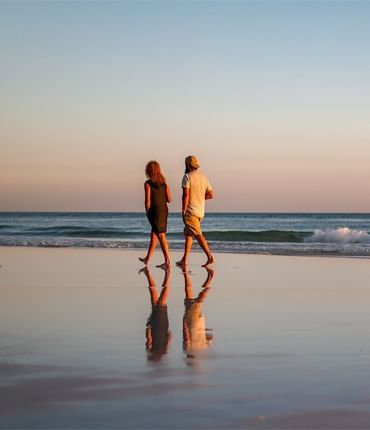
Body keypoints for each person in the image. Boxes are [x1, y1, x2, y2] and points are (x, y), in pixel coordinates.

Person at [176, 155, 214, 267]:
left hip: (190, 211)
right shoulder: (204, 177)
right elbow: (211, 195)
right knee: (188, 235)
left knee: (197, 234)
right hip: (200, 212)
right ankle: (184, 259)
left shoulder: (187, 177)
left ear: (187, 165)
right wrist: (200, 197)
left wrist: (183, 209)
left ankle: (210, 256)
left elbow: (186, 195)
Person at [139, 161, 171, 268]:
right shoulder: (164, 184)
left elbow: (147, 200)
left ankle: (167, 261)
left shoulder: (148, 184)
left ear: (149, 170)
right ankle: (147, 259)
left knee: (161, 235)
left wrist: (147, 212)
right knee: (154, 235)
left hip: (154, 211)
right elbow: (169, 199)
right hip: (164, 210)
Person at [140, 266, 172, 362]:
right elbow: (149, 337)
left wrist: (167, 331)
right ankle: (155, 275)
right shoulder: (154, 349)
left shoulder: (164, 349)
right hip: (156, 324)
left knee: (162, 302)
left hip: (163, 325)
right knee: (155, 299)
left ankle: (166, 277)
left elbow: (170, 337)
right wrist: (148, 328)